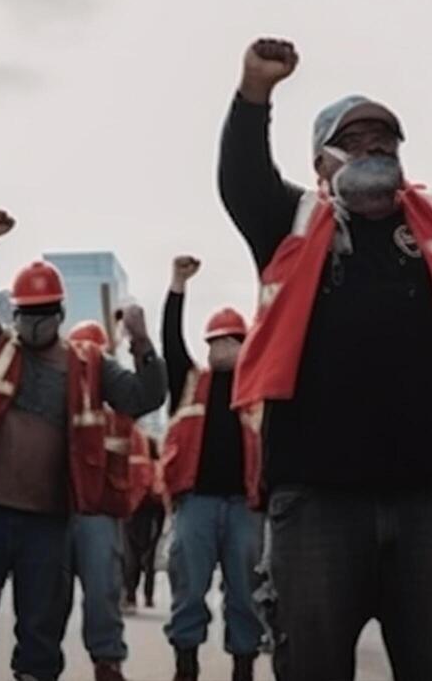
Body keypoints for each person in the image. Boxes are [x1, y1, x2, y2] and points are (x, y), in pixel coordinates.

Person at [221, 37, 432, 680]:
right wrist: (255, 91)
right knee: (311, 665)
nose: (374, 149)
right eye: (357, 138)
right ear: (322, 161)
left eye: (385, 139)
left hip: (425, 500)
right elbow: (241, 177)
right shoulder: (290, 218)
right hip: (316, 503)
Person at [0, 209, 166, 681]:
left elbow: (144, 397)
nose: (33, 323)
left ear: (60, 315)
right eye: (26, 313)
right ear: (15, 314)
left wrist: (143, 342)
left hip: (47, 522)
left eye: (42, 314)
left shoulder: (87, 364)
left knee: (41, 633)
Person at [161, 255, 263, 681]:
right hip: (196, 504)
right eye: (218, 340)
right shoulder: (187, 380)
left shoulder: (259, 387)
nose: (225, 346)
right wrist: (177, 286)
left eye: (233, 340)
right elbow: (169, 340)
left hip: (245, 506)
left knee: (246, 592)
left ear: (246, 344)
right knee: (188, 589)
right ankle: (186, 664)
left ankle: (243, 665)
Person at [60, 319, 150, 681]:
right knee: (51, 597)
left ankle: (107, 661)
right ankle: (40, 663)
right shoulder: (57, 394)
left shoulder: (119, 404)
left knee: (103, 591)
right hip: (61, 509)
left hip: (100, 510)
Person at [122, 430, 167, 611]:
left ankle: (130, 594)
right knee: (150, 554)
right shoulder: (157, 465)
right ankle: (148, 596)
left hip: (135, 508)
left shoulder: (135, 463)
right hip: (156, 509)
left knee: (131, 551)